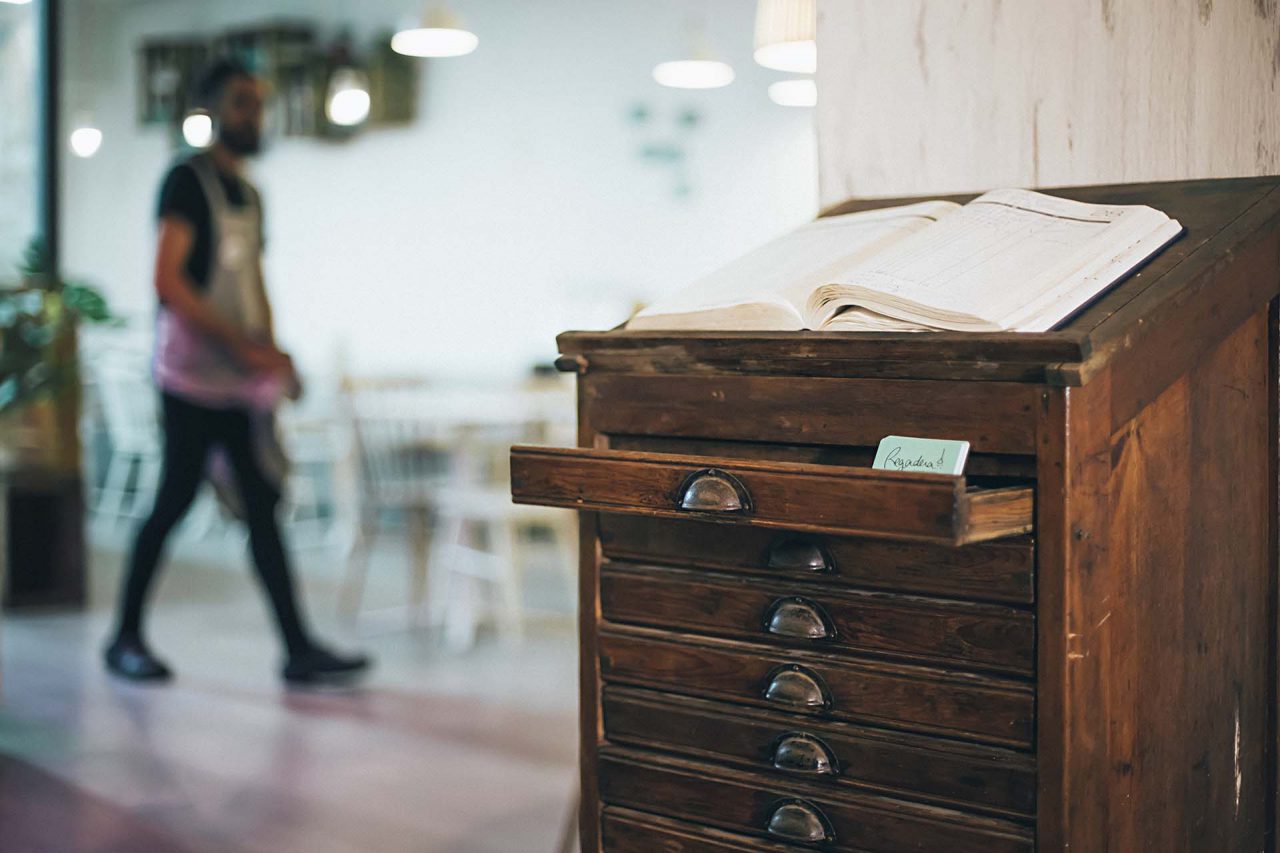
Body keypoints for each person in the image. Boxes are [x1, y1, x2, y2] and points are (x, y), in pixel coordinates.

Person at [104, 58, 370, 685]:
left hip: (236, 382)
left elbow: (253, 284)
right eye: (243, 103)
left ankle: (298, 649)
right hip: (189, 380)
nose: (255, 115)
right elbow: (167, 281)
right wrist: (244, 349)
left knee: (260, 505)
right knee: (173, 500)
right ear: (213, 110)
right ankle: (124, 638)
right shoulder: (184, 181)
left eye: (258, 103)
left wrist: (273, 360)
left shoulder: (250, 194)